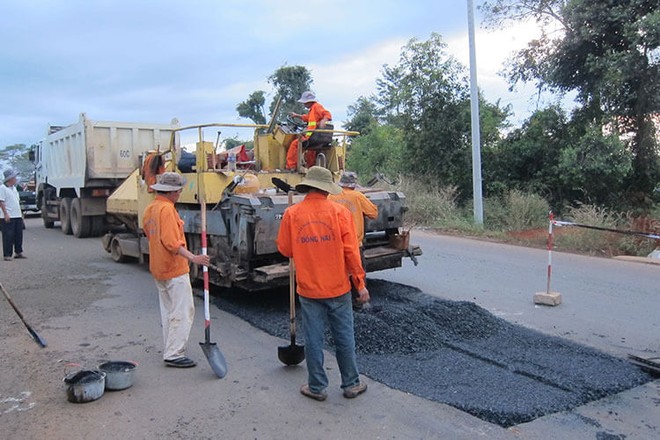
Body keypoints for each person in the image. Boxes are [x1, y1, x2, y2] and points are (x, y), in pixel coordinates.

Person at [277, 166, 369, 401]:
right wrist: (360, 284)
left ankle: (316, 387)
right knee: (344, 337)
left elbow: (285, 249)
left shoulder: (292, 214)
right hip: (338, 288)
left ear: (308, 186)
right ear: (327, 189)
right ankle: (351, 384)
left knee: (313, 339)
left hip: (308, 289)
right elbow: (351, 252)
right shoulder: (339, 213)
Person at [142, 172, 210, 368]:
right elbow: (172, 243)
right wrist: (194, 258)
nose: (180, 193)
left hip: (158, 267)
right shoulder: (167, 210)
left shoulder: (151, 208)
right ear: (172, 192)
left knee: (169, 311)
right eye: (178, 190)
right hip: (173, 269)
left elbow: (149, 232)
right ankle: (174, 354)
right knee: (183, 310)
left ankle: (171, 346)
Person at [329, 171, 378, 246]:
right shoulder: (358, 196)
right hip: (354, 243)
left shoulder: (330, 196)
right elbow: (373, 214)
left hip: (335, 242)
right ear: (354, 185)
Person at [286, 91, 332, 171]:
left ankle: (291, 167)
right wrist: (297, 115)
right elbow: (308, 118)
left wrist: (323, 120)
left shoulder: (316, 106)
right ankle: (311, 167)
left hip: (312, 136)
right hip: (315, 137)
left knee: (295, 144)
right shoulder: (313, 109)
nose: (303, 104)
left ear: (309, 102)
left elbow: (327, 114)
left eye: (304, 102)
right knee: (310, 150)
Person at [0, 169, 25, 261]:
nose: (15, 179)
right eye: (14, 177)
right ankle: (7, 254)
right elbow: (1, 201)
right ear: (9, 179)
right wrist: (6, 214)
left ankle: (18, 252)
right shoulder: (3, 188)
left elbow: (17, 202)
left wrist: (21, 214)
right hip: (8, 215)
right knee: (8, 236)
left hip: (17, 215)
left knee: (18, 234)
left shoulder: (14, 188)